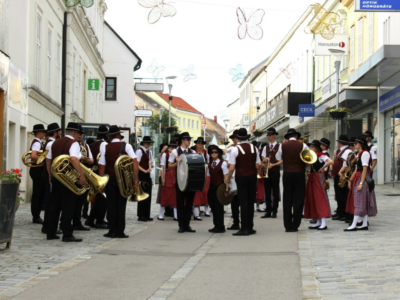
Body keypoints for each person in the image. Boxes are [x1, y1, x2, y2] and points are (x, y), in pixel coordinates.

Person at [46, 122, 87, 242]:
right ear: (75, 133)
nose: (78, 136)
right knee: (68, 207)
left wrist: (50, 175)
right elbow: (74, 159)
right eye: (78, 134)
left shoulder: (55, 142)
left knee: (55, 206)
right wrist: (82, 175)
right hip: (68, 180)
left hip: (56, 178)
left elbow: (48, 160)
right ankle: (67, 234)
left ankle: (51, 232)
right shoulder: (73, 143)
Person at [99, 125, 139, 238]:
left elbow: (102, 166)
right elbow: (135, 161)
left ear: (110, 137)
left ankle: (112, 230)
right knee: (121, 205)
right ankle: (120, 231)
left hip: (110, 179)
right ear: (118, 135)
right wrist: (135, 178)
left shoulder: (105, 147)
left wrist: (101, 182)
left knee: (111, 205)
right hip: (124, 180)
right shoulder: (127, 146)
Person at [227, 128, 260, 236]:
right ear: (247, 137)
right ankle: (250, 227)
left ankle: (244, 228)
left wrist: (228, 178)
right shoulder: (254, 148)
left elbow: (232, 168)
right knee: (250, 202)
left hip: (241, 177)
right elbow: (257, 165)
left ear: (238, 138)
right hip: (252, 177)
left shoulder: (235, 149)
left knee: (243, 202)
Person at [275, 128, 308, 232]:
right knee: (299, 198)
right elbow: (308, 158)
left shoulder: (283, 145)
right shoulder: (303, 145)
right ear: (296, 136)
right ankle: (296, 225)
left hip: (287, 173)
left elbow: (278, 157)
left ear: (287, 137)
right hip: (299, 173)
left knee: (287, 199)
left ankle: (288, 226)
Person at [344, 136, 377, 231]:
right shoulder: (359, 154)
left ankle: (354, 224)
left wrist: (361, 183)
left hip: (363, 178)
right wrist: (350, 179)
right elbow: (356, 169)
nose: (354, 145)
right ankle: (364, 223)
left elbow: (365, 169)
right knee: (362, 201)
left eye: (355, 143)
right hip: (359, 177)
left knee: (359, 201)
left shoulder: (365, 153)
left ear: (360, 144)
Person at [168, 132, 197, 233]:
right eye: (188, 139)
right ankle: (181, 225)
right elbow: (169, 166)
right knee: (180, 203)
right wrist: (177, 162)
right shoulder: (175, 151)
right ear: (182, 140)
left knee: (189, 204)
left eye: (190, 139)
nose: (189, 141)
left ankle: (187, 225)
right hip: (180, 180)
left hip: (190, 180)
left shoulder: (192, 151)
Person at [304, 140, 333, 230]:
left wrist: (323, 168)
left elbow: (330, 161)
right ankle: (318, 221)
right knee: (313, 199)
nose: (310, 148)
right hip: (312, 178)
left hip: (317, 178)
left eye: (312, 146)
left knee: (319, 198)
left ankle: (323, 223)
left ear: (316, 148)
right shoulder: (312, 156)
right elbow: (308, 166)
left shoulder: (320, 155)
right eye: (310, 146)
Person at [85, 125, 109, 229]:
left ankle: (90, 219)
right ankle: (99, 220)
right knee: (102, 197)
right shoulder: (104, 144)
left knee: (98, 197)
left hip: (94, 171)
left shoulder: (94, 144)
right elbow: (103, 159)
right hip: (100, 172)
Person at [41, 123, 62, 234]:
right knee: (52, 202)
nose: (60, 133)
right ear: (56, 132)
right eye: (59, 131)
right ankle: (48, 226)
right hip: (51, 175)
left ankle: (47, 225)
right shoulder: (52, 144)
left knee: (51, 201)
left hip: (49, 175)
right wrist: (50, 175)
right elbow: (49, 161)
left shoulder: (49, 143)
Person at [261, 127, 282, 219]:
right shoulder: (265, 147)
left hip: (275, 170)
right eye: (267, 135)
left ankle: (275, 211)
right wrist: (264, 160)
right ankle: (268, 211)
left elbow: (283, 160)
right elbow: (262, 158)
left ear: (274, 135)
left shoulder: (280, 146)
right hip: (267, 171)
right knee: (267, 191)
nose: (268, 137)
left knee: (275, 191)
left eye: (270, 135)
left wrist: (274, 165)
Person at [207, 145, 229, 233]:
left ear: (219, 153)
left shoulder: (223, 163)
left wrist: (226, 189)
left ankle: (221, 226)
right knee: (213, 207)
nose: (214, 154)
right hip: (212, 187)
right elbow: (209, 177)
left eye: (215, 152)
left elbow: (225, 176)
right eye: (212, 152)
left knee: (219, 207)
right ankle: (216, 225)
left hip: (219, 187)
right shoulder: (210, 164)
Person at [331, 135, 353, 222]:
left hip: (342, 176)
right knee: (339, 195)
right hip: (338, 176)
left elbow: (346, 164)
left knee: (342, 195)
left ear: (340, 142)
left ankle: (344, 213)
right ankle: (340, 211)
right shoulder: (340, 150)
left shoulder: (347, 151)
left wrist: (342, 173)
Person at [29, 124, 47, 224]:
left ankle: (37, 214)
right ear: (39, 132)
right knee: (38, 193)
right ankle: (36, 216)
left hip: (38, 170)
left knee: (40, 193)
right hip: (37, 170)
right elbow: (33, 156)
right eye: (43, 132)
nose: (44, 134)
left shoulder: (39, 142)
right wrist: (43, 161)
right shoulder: (37, 143)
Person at [136, 136, 155, 222]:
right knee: (142, 195)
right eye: (148, 143)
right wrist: (145, 170)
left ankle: (147, 214)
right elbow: (136, 164)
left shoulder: (149, 152)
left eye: (149, 143)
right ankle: (141, 215)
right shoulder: (139, 151)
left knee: (148, 194)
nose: (149, 144)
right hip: (142, 175)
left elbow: (151, 161)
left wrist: (151, 165)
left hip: (147, 175)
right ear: (143, 143)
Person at [159, 141, 178, 220]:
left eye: (174, 146)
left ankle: (176, 214)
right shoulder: (165, 154)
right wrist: (162, 178)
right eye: (171, 146)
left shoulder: (177, 154)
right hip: (168, 175)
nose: (172, 148)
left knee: (175, 195)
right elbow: (162, 166)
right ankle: (160, 213)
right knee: (165, 194)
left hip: (175, 175)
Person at [192, 137, 210, 220]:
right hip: (196, 173)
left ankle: (206, 209)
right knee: (197, 192)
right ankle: (196, 210)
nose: (200, 145)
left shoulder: (206, 153)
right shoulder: (193, 152)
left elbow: (209, 163)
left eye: (201, 143)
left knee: (205, 191)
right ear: (196, 144)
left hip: (205, 173)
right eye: (198, 143)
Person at [226, 130, 240, 230]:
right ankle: (245, 223)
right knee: (242, 201)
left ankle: (236, 222)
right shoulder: (251, 148)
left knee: (235, 201)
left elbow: (229, 164)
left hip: (235, 176)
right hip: (243, 177)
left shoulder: (233, 149)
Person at [253, 141, 265, 213]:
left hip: (259, 172)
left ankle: (258, 206)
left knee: (259, 190)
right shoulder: (254, 152)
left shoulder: (260, 153)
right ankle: (256, 206)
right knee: (255, 189)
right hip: (255, 172)